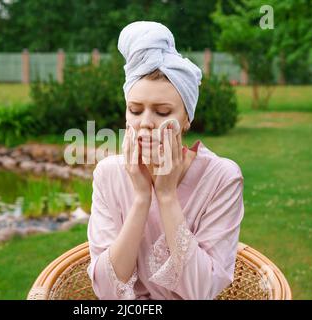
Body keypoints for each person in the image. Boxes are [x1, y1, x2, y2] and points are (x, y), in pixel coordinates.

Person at [87, 21, 245, 300]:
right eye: (135, 110)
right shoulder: (108, 174)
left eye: (162, 112)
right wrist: (140, 199)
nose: (145, 123)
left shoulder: (222, 178)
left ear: (186, 119)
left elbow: (201, 291)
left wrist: (167, 195)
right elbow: (107, 293)